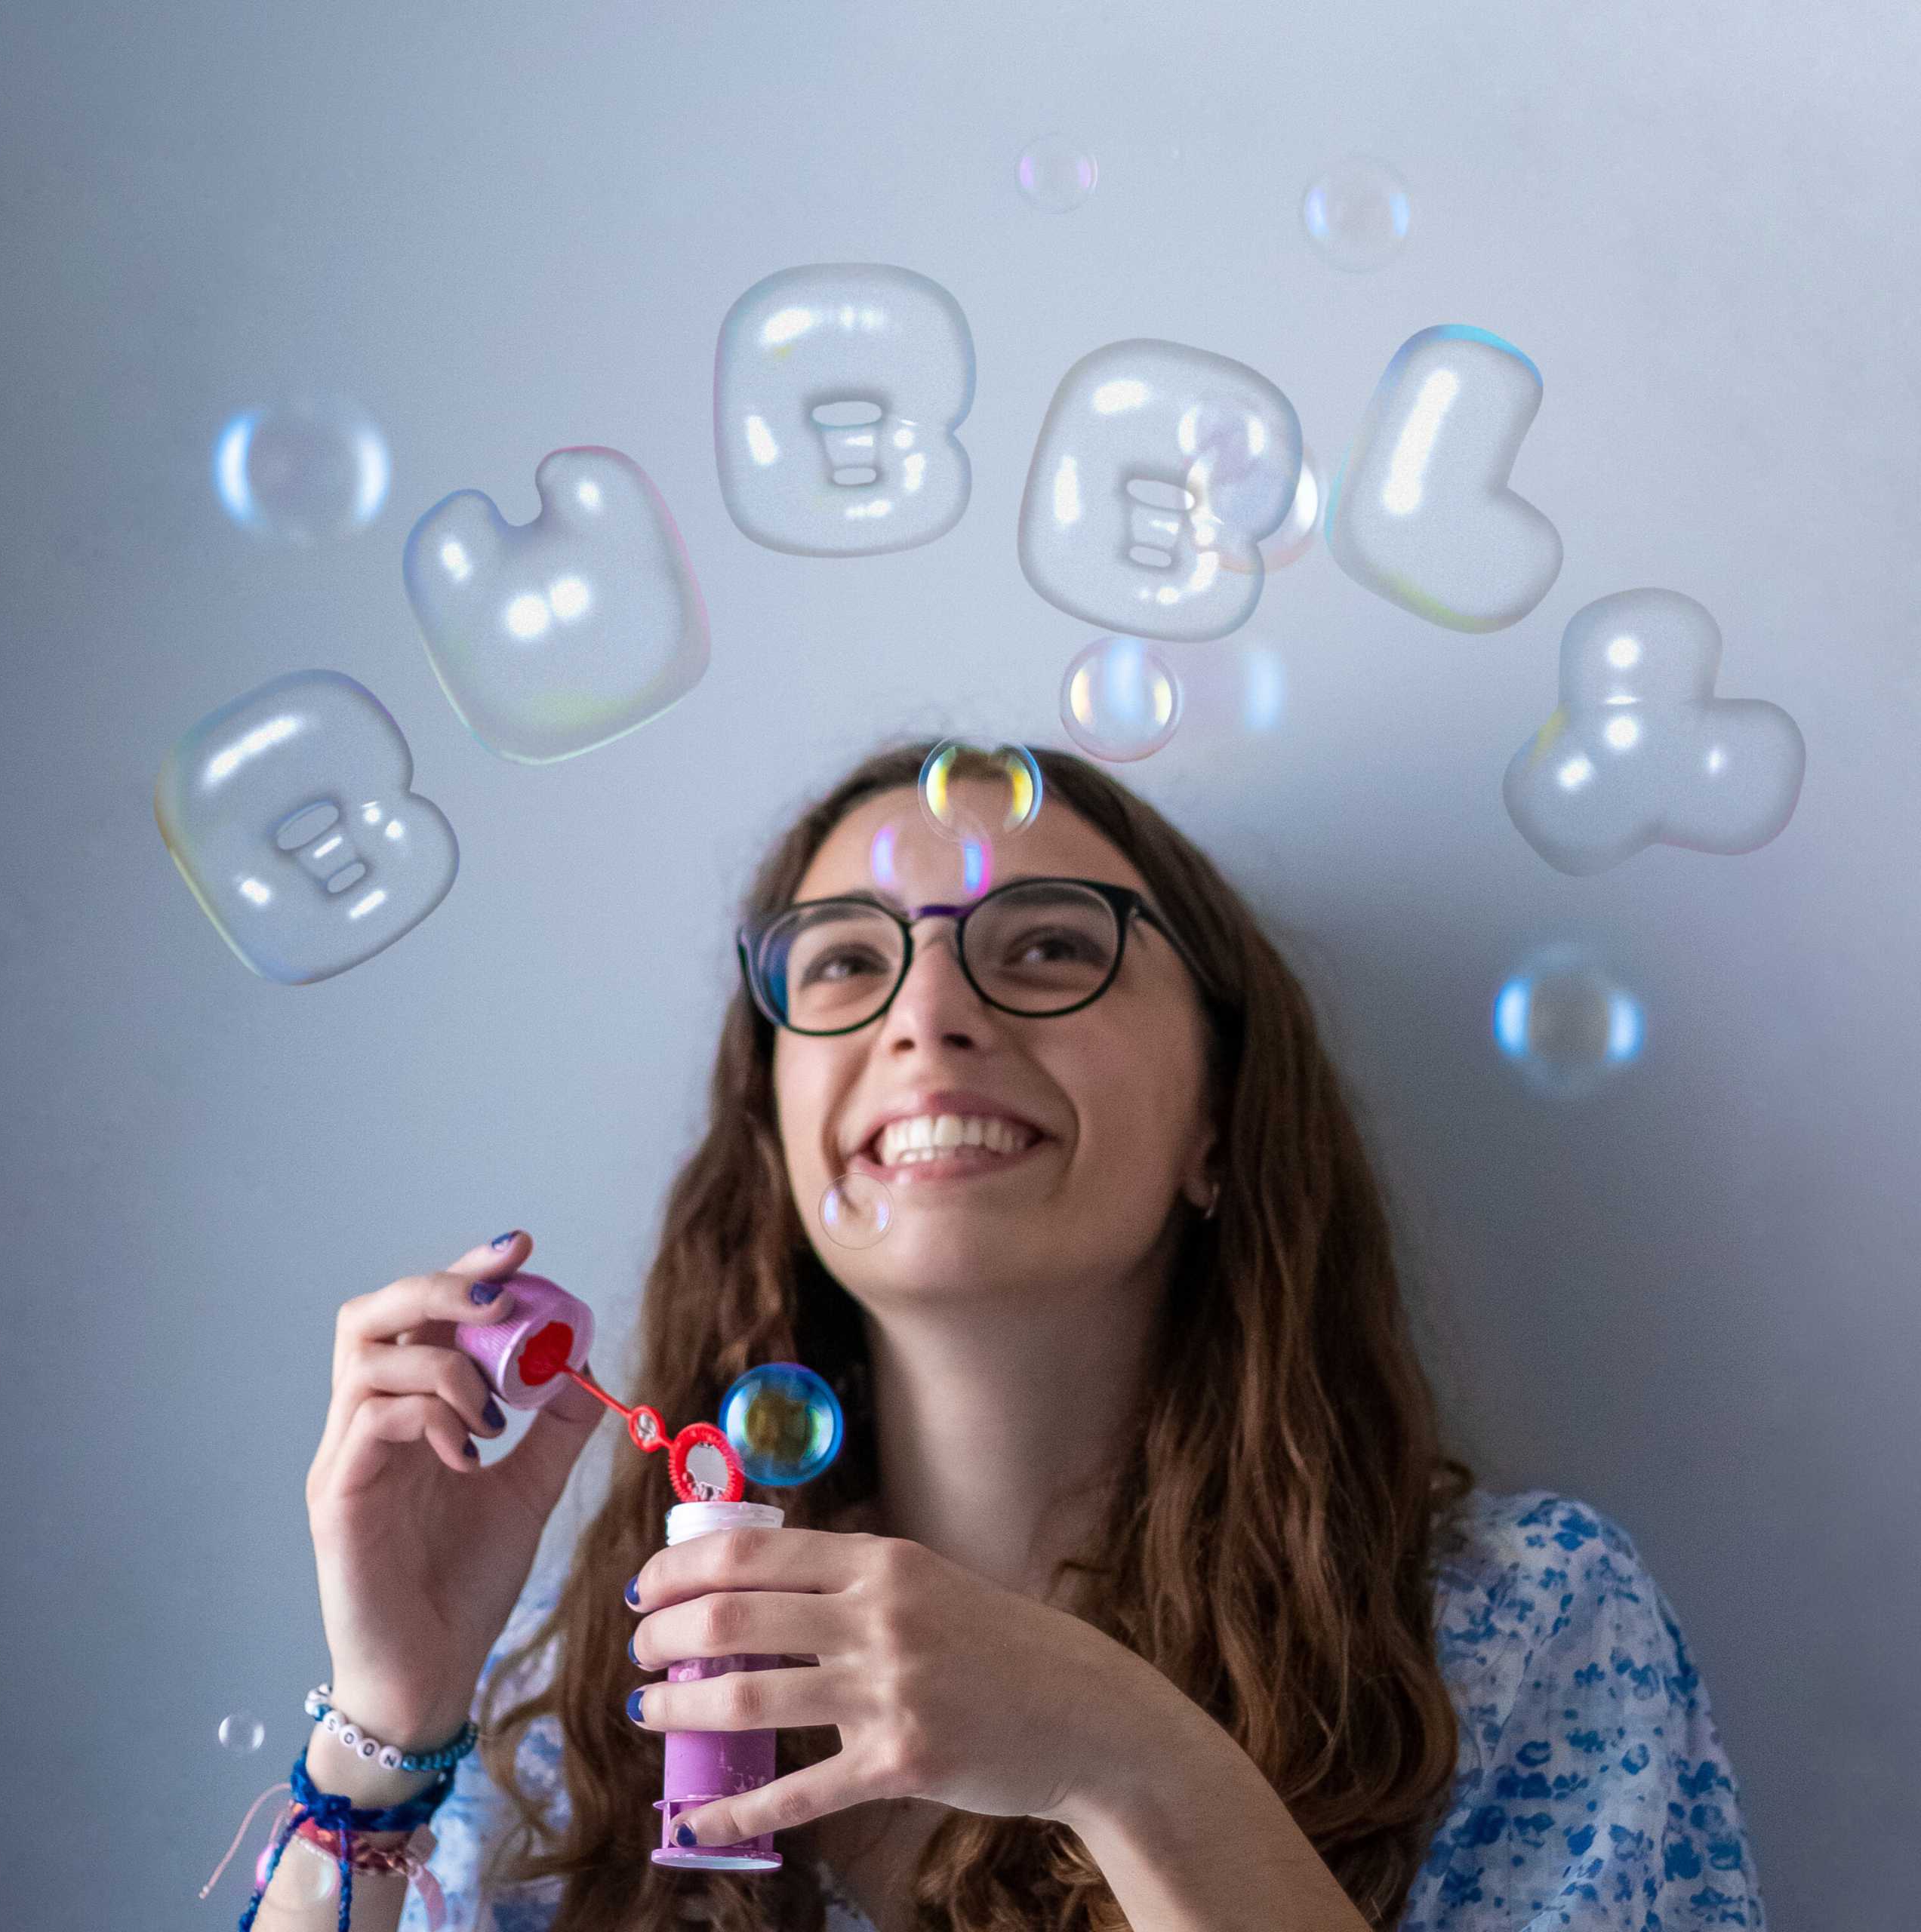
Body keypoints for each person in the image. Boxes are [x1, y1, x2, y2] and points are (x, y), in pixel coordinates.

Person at [244, 741, 1767, 1932]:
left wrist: (1128, 1760)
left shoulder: (1515, 1629)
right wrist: (388, 1721)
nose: (928, 1014)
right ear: (777, 1140)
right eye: (847, 961)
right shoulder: (597, 1693)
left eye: (1044, 946)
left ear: (1222, 1121)